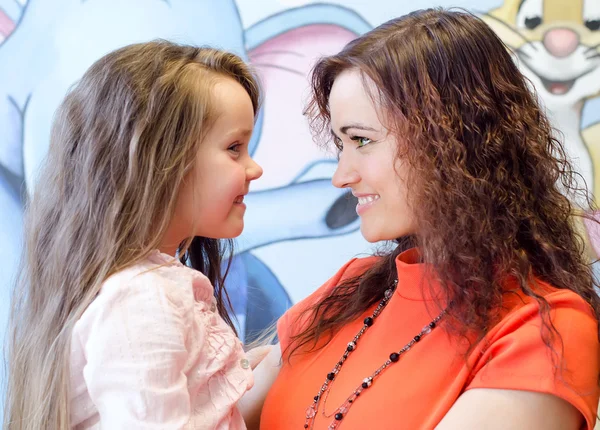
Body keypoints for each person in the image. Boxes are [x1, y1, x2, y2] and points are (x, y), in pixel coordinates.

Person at [256, 8, 600, 430]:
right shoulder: (347, 290)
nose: (341, 176)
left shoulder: (543, 330)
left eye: (362, 140)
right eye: (340, 144)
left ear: (450, 139)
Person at [4, 40, 264, 429]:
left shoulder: (146, 292)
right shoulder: (142, 300)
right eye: (234, 148)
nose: (254, 168)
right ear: (160, 160)